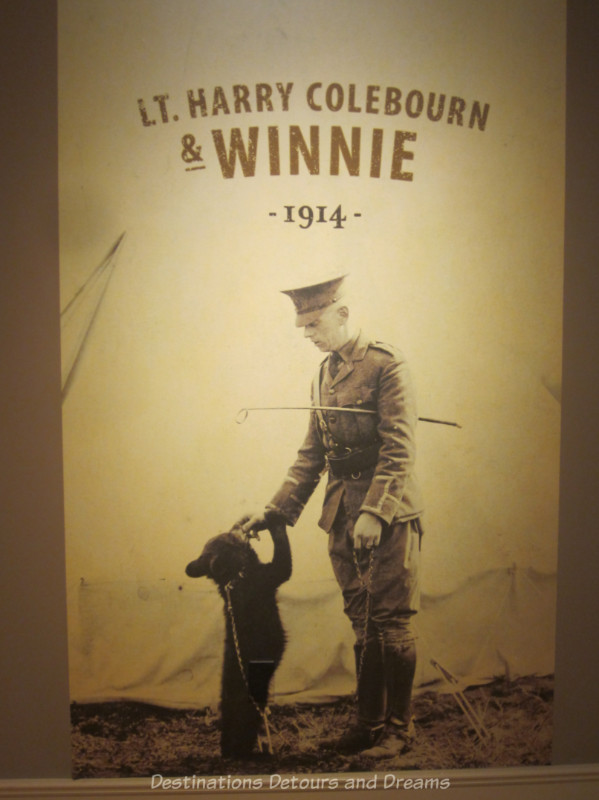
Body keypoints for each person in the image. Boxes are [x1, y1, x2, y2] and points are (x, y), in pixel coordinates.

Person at [238, 274, 424, 758]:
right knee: (363, 624)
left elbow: (399, 448)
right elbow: (311, 454)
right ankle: (369, 725)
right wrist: (274, 512)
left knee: (391, 623)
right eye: (302, 325)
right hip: (341, 514)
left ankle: (399, 732)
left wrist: (375, 514)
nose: (307, 333)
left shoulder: (387, 364)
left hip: (387, 513)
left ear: (343, 313)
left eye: (314, 322)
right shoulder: (323, 372)